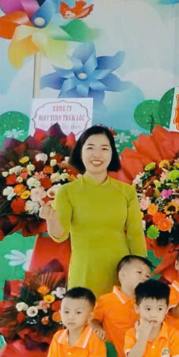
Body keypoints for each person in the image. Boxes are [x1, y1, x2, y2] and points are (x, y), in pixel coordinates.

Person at [47, 125, 147, 297]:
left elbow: (135, 234)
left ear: (112, 153)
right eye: (90, 148)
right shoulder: (67, 191)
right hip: (84, 273)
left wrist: (141, 274)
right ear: (80, 152)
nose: (97, 154)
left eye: (104, 148)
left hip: (122, 275)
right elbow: (60, 235)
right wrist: (51, 219)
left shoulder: (126, 191)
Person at [93, 255, 150, 345]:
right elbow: (92, 319)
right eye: (139, 272)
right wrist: (97, 329)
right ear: (122, 275)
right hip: (115, 352)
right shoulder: (106, 300)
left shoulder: (148, 303)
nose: (144, 278)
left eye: (147, 276)